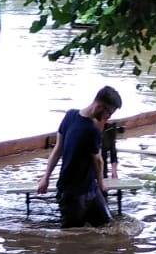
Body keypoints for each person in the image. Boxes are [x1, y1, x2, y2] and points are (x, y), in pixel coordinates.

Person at [36, 86, 123, 228]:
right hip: (71, 192)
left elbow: (58, 150)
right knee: (72, 234)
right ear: (100, 106)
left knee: (108, 226)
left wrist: (98, 185)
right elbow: (97, 159)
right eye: (109, 113)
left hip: (91, 189)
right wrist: (46, 177)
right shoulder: (89, 128)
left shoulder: (71, 116)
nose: (109, 117)